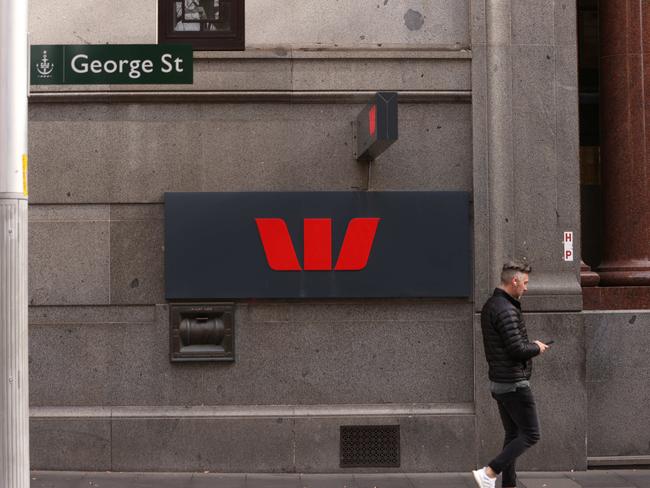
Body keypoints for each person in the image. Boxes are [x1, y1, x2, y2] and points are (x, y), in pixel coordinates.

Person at [472, 260, 550, 488]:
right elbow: (517, 349)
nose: (526, 288)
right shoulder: (506, 309)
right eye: (525, 283)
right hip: (513, 383)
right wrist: (536, 347)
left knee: (514, 433)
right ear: (514, 281)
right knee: (531, 434)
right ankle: (490, 472)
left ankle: (509, 483)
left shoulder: (492, 305)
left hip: (499, 381)